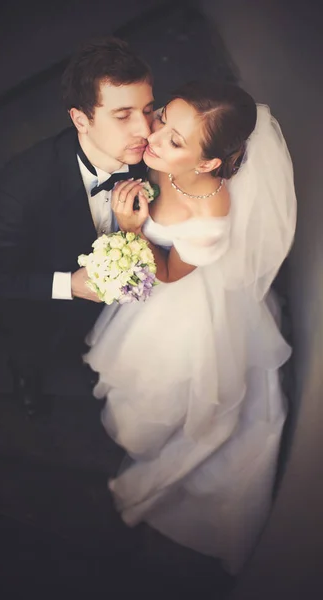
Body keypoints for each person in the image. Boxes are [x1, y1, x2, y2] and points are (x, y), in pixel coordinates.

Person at [84, 80, 297, 574]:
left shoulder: (209, 215)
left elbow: (170, 273)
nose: (153, 139)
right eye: (163, 122)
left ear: (206, 165)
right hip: (162, 284)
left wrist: (132, 231)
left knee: (163, 386)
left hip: (178, 302)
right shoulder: (165, 162)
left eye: (174, 141)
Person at [0, 37, 154, 416]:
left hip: (113, 311)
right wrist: (69, 285)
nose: (145, 129)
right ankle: (26, 379)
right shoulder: (22, 186)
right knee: (31, 351)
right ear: (80, 118)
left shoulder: (152, 158)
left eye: (148, 109)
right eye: (123, 114)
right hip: (37, 310)